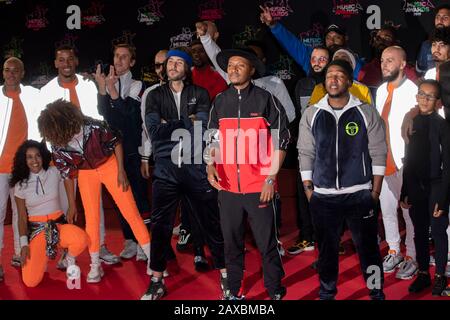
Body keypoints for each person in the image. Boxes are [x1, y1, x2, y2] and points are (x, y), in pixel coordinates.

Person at [141, 49, 227, 300]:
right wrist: (184, 124)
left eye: (179, 62)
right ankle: (156, 280)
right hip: (166, 168)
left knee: (212, 221)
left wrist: (171, 125)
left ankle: (225, 276)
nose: (173, 66)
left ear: (187, 68)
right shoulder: (154, 95)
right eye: (170, 62)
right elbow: (155, 132)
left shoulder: (200, 93)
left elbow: (202, 127)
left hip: (195, 166)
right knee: (160, 225)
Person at [299, 59, 386, 300]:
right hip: (324, 197)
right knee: (326, 252)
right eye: (329, 76)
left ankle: (376, 291)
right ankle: (327, 293)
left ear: (349, 81)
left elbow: (378, 151)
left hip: (359, 194)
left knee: (368, 250)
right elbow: (305, 152)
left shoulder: (366, 111)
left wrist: (375, 192)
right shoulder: (312, 113)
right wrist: (309, 190)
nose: (333, 80)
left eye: (339, 75)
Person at [206, 48, 290, 300]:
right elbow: (213, 139)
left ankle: (275, 289)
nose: (233, 69)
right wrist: (210, 164)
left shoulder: (267, 99)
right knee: (231, 243)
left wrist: (270, 178)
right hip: (228, 188)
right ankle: (233, 289)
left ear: (251, 70)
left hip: (259, 187)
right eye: (230, 65)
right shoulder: (219, 101)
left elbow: (282, 141)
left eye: (239, 65)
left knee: (267, 244)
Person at [37, 99, 151, 284]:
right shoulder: (57, 142)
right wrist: (72, 205)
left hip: (109, 165)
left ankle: (152, 259)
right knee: (92, 220)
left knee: (131, 212)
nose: (59, 138)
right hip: (85, 173)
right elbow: (67, 174)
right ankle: (94, 265)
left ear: (68, 122)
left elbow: (116, 142)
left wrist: (121, 171)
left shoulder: (93, 126)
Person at [40, 45, 119, 266]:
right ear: (55, 63)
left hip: (89, 156)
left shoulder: (87, 85)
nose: (66, 64)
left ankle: (100, 245)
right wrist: (55, 155)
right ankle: (68, 250)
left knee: (94, 205)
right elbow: (44, 127)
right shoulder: (46, 91)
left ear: (76, 61)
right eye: (61, 60)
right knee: (67, 206)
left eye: (70, 59)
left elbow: (98, 116)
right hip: (62, 158)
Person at [95, 43, 151, 262]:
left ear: (132, 62)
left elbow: (130, 118)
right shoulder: (109, 80)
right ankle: (129, 239)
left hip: (132, 149)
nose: (118, 61)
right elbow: (104, 114)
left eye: (124, 57)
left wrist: (113, 92)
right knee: (120, 196)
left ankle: (143, 240)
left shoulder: (139, 86)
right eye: (116, 56)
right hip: (111, 150)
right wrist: (102, 89)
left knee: (138, 196)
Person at [11, 140, 88, 287]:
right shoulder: (20, 185)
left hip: (58, 225)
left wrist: (72, 205)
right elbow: (21, 217)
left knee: (81, 239)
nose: (35, 161)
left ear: (43, 156)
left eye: (38, 156)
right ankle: (42, 257)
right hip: (37, 232)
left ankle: (68, 260)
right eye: (30, 157)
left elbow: (68, 176)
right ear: (24, 160)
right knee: (30, 282)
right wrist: (24, 244)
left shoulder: (53, 172)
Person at [400, 80, 449, 296]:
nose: (425, 99)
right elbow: (408, 159)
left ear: (438, 102)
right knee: (419, 232)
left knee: (438, 232)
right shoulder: (411, 122)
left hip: (437, 185)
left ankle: (440, 275)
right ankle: (422, 273)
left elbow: (448, 164)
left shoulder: (444, 126)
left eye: (430, 96)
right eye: (422, 94)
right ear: (417, 96)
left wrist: (444, 198)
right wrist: (404, 190)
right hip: (415, 186)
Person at [196, 21, 296, 123]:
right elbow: (215, 55)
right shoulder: (234, 77)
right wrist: (204, 37)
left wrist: (265, 129)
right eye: (232, 65)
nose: (234, 69)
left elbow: (289, 114)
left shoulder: (274, 82)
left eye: (242, 64)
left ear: (254, 66)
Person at [377, 46, 418, 279]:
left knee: (409, 213)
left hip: (405, 164)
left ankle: (411, 255)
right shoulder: (381, 90)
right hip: (384, 162)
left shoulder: (413, 91)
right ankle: (394, 250)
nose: (384, 64)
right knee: (387, 211)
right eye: (383, 60)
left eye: (390, 60)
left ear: (403, 64)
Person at [0, 57, 41, 280]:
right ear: (3, 72)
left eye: (16, 70)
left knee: (20, 213)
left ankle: (18, 252)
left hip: (21, 168)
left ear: (23, 73)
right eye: (7, 70)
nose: (11, 74)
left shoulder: (33, 96)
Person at [259, 6, 364, 79]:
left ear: (345, 39)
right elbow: (292, 44)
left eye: (337, 37)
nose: (332, 41)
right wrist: (274, 25)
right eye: (328, 37)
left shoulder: (355, 61)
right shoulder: (312, 56)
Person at [358, 25, 418, 97]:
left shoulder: (407, 71)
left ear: (395, 42)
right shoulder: (366, 70)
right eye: (378, 38)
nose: (381, 41)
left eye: (387, 38)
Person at [416, 4, 450, 74]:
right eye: (437, 17)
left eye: (445, 17)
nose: (440, 20)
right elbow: (421, 71)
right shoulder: (426, 45)